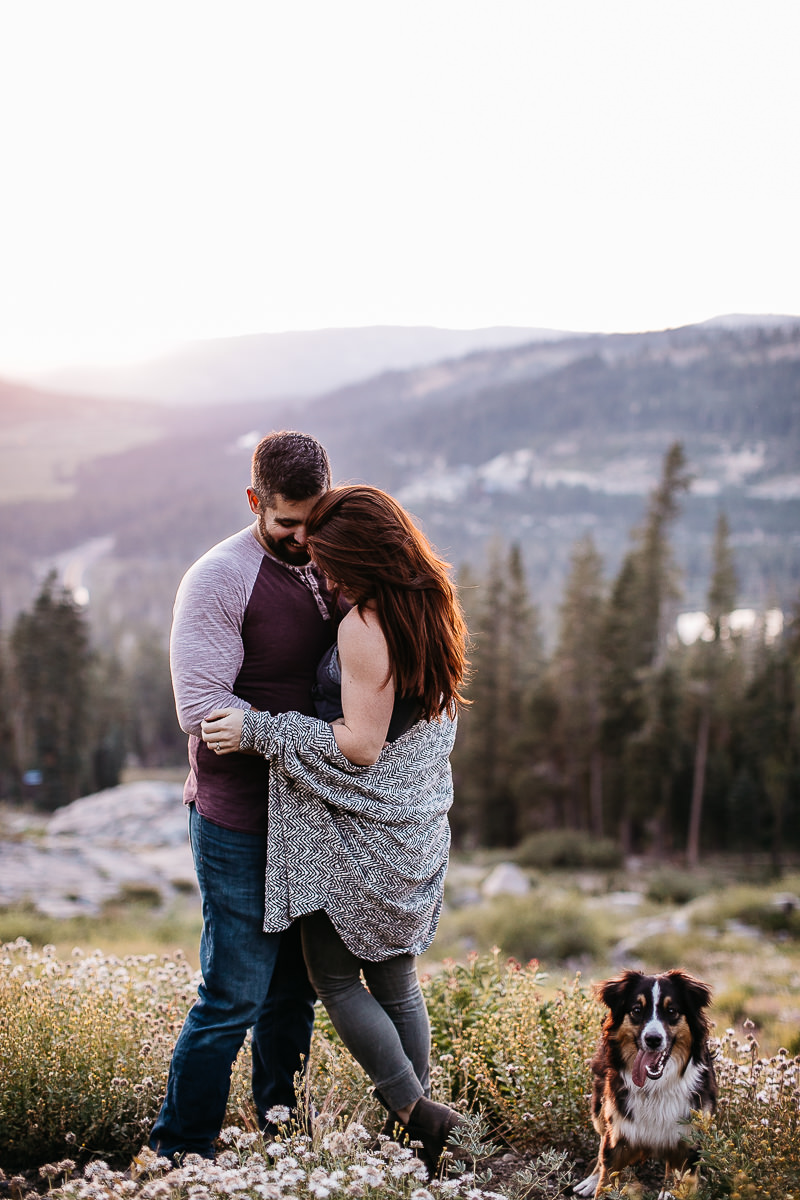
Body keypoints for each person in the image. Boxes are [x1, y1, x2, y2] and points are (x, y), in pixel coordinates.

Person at [201, 485, 470, 1176]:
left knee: (335, 978)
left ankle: (416, 1112)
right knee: (398, 983)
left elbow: (360, 746)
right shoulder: (431, 604)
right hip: (408, 832)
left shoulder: (363, 625)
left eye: (328, 562)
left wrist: (259, 730)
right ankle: (421, 1141)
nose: (321, 574)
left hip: (362, 839)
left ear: (360, 558)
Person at [149, 431, 336, 1162]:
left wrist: (268, 731)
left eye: (312, 520)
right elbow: (200, 708)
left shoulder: (333, 553)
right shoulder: (220, 578)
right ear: (255, 502)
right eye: (287, 522)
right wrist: (301, 736)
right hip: (238, 818)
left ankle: (282, 1143)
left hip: (313, 815)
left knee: (295, 994)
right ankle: (178, 1154)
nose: (301, 536)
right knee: (233, 996)